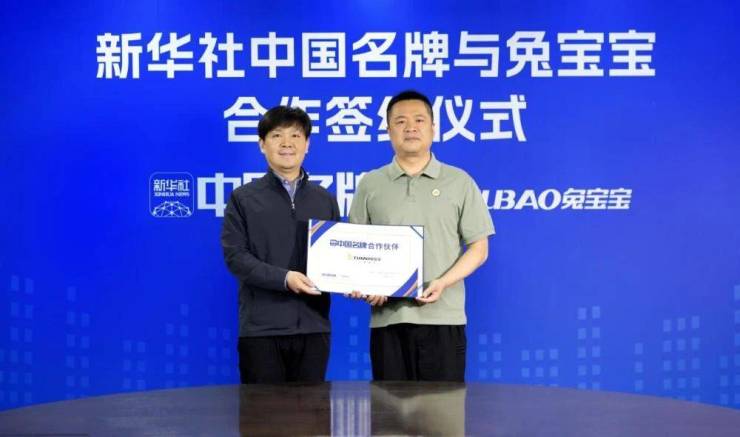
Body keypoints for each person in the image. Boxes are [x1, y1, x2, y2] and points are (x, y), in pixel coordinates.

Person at [349, 90, 494, 381]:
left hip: (444, 317)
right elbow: (356, 250)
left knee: (443, 408)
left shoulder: (459, 181)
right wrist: (364, 284)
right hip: (388, 320)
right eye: (400, 121)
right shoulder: (370, 184)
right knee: (389, 409)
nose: (410, 128)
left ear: (433, 128)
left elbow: (479, 248)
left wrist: (443, 282)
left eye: (419, 120)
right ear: (388, 130)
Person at [221, 105, 339, 383]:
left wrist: (359, 280)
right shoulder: (243, 198)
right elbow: (236, 257)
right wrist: (285, 278)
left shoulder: (325, 199)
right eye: (276, 135)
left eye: (295, 136)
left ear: (307, 145)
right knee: (262, 411)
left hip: (313, 327)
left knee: (313, 410)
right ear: (262, 144)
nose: (287, 143)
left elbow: (338, 257)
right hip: (261, 331)